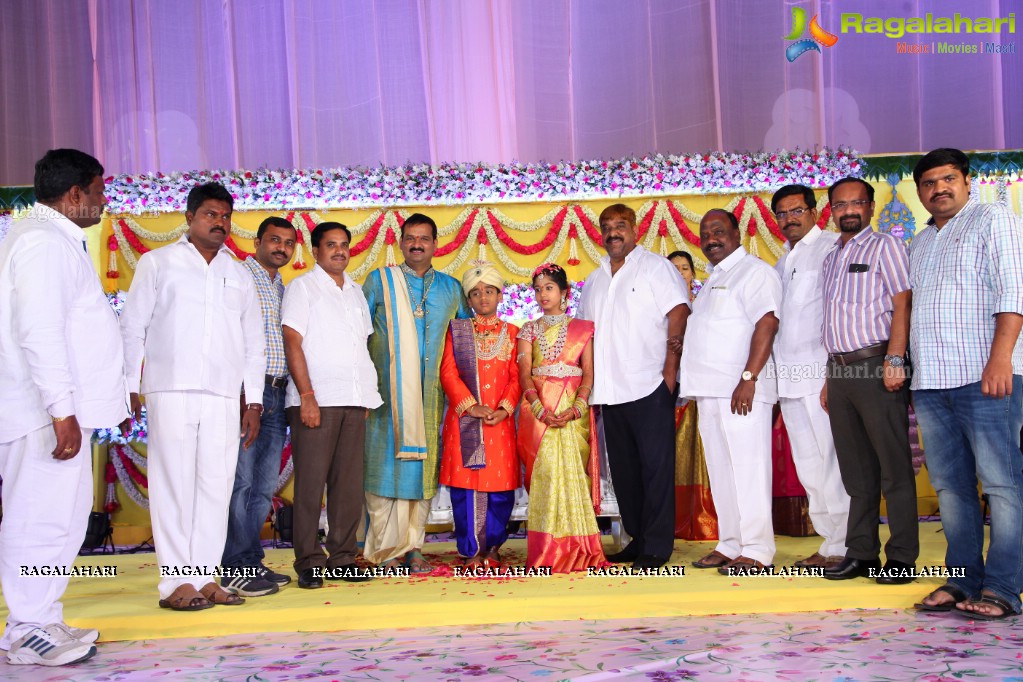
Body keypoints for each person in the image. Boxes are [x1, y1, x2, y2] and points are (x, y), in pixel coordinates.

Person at [0, 149, 128, 666]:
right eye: (98, 191)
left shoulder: (50, 238)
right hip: (44, 414)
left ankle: (42, 618)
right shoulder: (42, 243)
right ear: (74, 194)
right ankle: (27, 628)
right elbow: (40, 331)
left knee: (60, 519)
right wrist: (60, 411)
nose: (103, 201)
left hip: (55, 410)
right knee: (39, 519)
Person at [120, 182, 265, 610]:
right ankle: (174, 584)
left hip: (222, 395)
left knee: (215, 488)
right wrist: (129, 383)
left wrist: (252, 400)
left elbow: (253, 341)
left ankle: (204, 578)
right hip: (171, 388)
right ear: (189, 217)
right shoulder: (157, 263)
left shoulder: (238, 273)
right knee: (174, 485)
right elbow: (132, 327)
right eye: (210, 215)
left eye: (225, 217)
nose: (219, 223)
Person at [909, 149, 1023, 620]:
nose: (940, 188)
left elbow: (1013, 290)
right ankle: (962, 580)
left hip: (986, 377)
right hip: (932, 381)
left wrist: (1001, 359)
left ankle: (1003, 588)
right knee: (951, 487)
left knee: (1002, 485)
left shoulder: (992, 218)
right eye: (930, 183)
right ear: (920, 192)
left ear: (966, 181)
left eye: (948, 178)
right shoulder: (918, 243)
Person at [578, 204, 689, 570]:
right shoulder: (594, 279)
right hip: (608, 391)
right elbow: (582, 335)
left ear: (635, 229)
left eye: (620, 226)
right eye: (607, 227)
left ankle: (657, 548)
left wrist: (669, 373)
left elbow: (678, 313)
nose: (613, 233)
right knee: (624, 473)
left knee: (655, 469)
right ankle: (637, 539)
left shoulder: (657, 268)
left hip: (648, 384)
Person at [819, 177, 918, 584]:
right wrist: (830, 376)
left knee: (893, 466)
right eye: (840, 205)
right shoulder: (831, 256)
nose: (848, 211)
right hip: (840, 371)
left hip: (877, 364)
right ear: (831, 210)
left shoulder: (886, 247)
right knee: (855, 470)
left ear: (871, 205)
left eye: (856, 203)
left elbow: (902, 302)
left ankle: (902, 556)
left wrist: (895, 359)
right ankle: (861, 552)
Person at [362, 213, 471, 573]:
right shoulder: (379, 282)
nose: (417, 244)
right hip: (384, 396)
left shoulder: (451, 288)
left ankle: (413, 548)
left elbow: (464, 342)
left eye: (424, 238)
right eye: (410, 238)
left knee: (420, 473)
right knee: (383, 468)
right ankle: (385, 549)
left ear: (435, 244)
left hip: (430, 398)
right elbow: (358, 336)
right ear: (400, 242)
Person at [679, 209, 781, 575]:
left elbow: (767, 322)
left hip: (742, 390)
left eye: (719, 231)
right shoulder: (713, 279)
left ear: (737, 233)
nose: (711, 239)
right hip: (710, 392)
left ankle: (757, 550)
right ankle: (730, 543)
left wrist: (749, 377)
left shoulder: (754, 272)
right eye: (705, 234)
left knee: (748, 469)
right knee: (722, 472)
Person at [282, 222, 382, 589]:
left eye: (344, 245)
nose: (339, 251)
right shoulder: (302, 288)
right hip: (316, 401)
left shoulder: (356, 292)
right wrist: (307, 396)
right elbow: (293, 342)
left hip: (355, 401)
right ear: (315, 250)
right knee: (310, 484)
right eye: (330, 245)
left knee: (348, 486)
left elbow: (359, 348)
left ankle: (342, 556)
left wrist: (365, 394)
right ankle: (308, 559)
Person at [771, 184, 850, 569]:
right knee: (809, 465)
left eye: (796, 210)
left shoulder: (833, 248)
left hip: (821, 376)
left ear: (815, 210)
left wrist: (833, 375)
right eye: (782, 214)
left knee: (833, 461)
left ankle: (849, 545)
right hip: (788, 380)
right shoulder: (782, 262)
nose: (790, 219)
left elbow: (840, 314)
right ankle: (830, 542)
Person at [221, 216, 297, 597]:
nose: (280, 248)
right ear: (257, 242)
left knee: (264, 485)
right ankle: (231, 564)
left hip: (277, 393)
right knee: (241, 480)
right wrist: (241, 395)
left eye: (287, 243)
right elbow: (228, 336)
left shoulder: (283, 287)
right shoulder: (238, 277)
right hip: (246, 394)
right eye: (274, 240)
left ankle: (249, 559)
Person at [517, 263, 603, 571]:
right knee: (547, 475)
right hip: (539, 413)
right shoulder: (528, 330)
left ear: (564, 293)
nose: (543, 294)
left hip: (571, 412)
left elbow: (589, 374)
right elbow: (524, 375)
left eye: (549, 288)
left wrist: (576, 408)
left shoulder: (583, 329)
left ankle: (578, 546)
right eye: (538, 289)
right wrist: (539, 408)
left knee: (573, 476)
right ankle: (546, 550)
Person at [439, 261, 521, 569]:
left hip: (500, 423)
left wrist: (504, 409)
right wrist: (469, 406)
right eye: (475, 293)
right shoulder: (457, 332)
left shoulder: (514, 334)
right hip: (466, 421)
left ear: (500, 295)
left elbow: (517, 376)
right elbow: (448, 373)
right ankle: (472, 549)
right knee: (467, 489)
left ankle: (494, 547)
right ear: (468, 300)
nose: (483, 298)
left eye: (489, 291)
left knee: (499, 488)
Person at [665, 251, 715, 541]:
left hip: (701, 391)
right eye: (674, 268)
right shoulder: (661, 310)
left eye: (685, 268)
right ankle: (675, 518)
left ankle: (707, 517)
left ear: (693, 275)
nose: (680, 273)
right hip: (669, 393)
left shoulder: (702, 307)